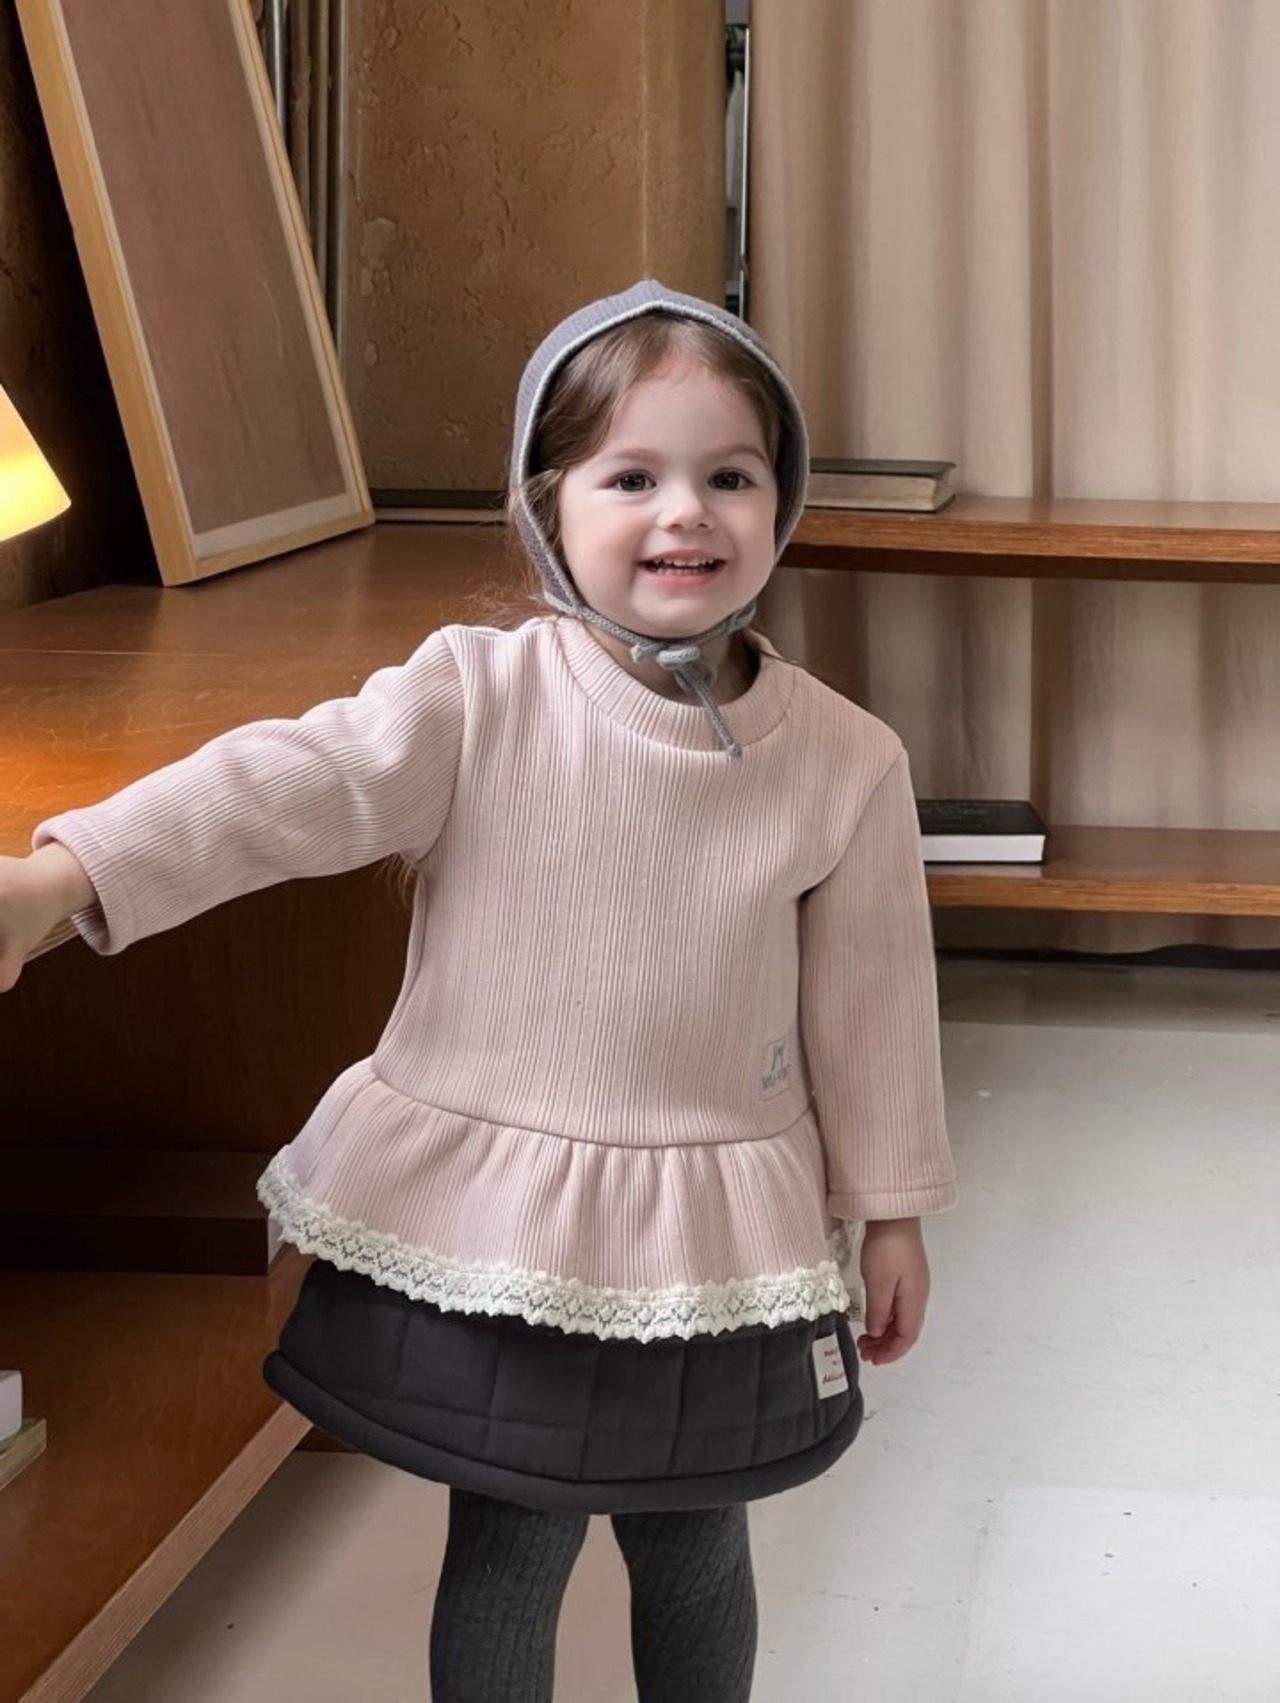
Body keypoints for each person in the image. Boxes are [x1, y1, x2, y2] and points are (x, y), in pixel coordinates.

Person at [0, 279, 957, 1702]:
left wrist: (890, 1211)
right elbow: (285, 785)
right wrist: (65, 876)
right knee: (511, 1544)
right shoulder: (475, 697)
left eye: (730, 476)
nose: (685, 512)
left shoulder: (845, 758)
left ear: (783, 501)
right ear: (545, 508)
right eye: (632, 477)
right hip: (513, 1227)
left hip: (716, 1228)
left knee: (699, 1545)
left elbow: (872, 1002)